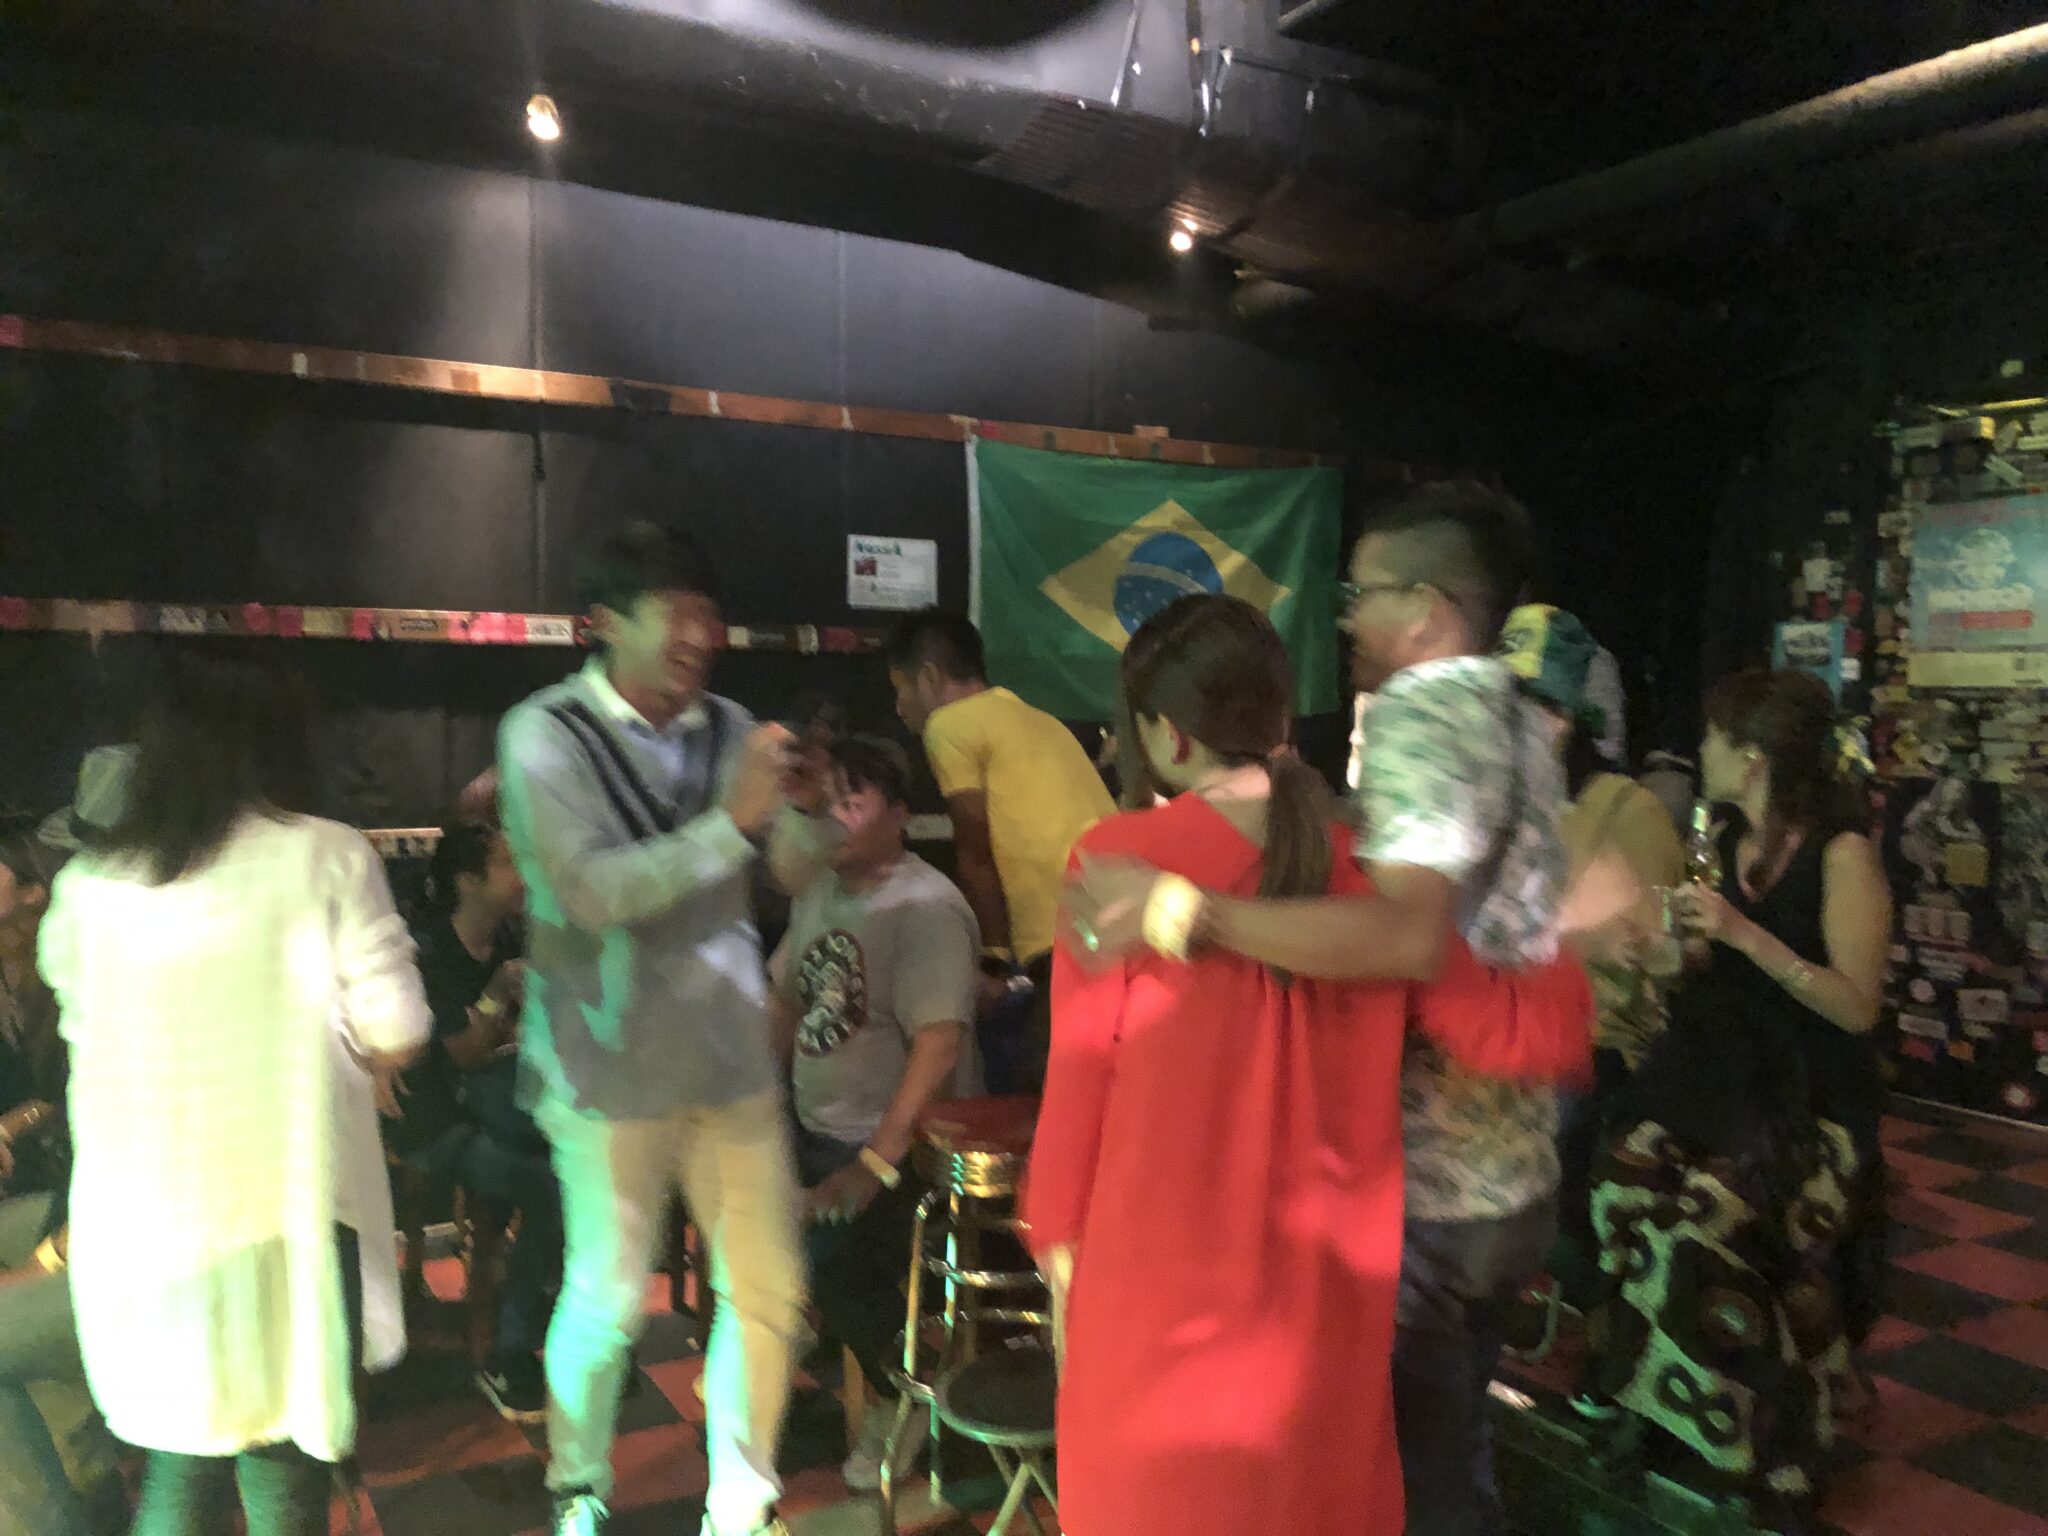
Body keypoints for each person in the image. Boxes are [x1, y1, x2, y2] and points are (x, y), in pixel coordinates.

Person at [1066, 481, 1578, 1536]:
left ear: (1426, 609)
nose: (1344, 618)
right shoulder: (1518, 720)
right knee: (1444, 1458)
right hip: (1515, 1172)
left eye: (1361, 594)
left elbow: (1403, 939)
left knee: (1413, 1482)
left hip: (1427, 1192)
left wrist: (1187, 910)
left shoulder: (1418, 720)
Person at [1023, 594, 1410, 1533]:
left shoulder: (1120, 860)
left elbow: (1080, 1083)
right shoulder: (1372, 872)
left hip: (1160, 1290)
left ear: (1168, 733)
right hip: (1329, 1294)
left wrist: (1057, 1248)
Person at [38, 650, 431, 1536]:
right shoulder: (324, 856)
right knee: (283, 1482)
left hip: (140, 1236)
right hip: (278, 1226)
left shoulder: (84, 888)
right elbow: (397, 1027)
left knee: (179, 1470)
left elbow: (85, 1032)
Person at [499, 521, 836, 1536]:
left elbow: (790, 874)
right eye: (675, 613)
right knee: (607, 1297)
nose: (700, 635)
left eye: (709, 613)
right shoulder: (544, 734)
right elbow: (589, 893)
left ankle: (741, 1500)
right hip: (602, 1065)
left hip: (729, 1058)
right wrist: (731, 824)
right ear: (602, 622)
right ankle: (577, 1483)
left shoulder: (732, 726)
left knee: (768, 1290)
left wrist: (808, 811)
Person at [1584, 670, 1890, 1527]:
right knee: (1620, 1185)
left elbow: (1857, 1006)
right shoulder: (1718, 837)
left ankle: (1767, 1436)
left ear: (1751, 759)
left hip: (1812, 1114)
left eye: (1715, 739)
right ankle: (1661, 1406)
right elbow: (1703, 967)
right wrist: (1653, 950)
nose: (1702, 751)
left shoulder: (1842, 854)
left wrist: (1745, 933)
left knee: (1700, 1226)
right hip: (1719, 1089)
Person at [768, 735, 979, 1492]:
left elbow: (939, 1046)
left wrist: (875, 1163)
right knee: (749, 1222)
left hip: (898, 1143)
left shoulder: (925, 906)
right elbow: (786, 999)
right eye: (827, 801)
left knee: (829, 1261)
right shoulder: (819, 889)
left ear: (900, 815)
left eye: (853, 801)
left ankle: (904, 1393)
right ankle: (789, 1340)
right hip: (815, 1126)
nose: (835, 817)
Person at [1497, 606, 1685, 1298]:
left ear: (1562, 719)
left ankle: (1568, 1280)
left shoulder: (1626, 810)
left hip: (1592, 1042)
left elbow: (1650, 956)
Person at [886, 608, 1113, 1093]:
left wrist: (991, 960)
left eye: (900, 689)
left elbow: (975, 847)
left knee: (1052, 1088)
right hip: (1114, 911)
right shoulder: (1035, 718)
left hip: (1061, 927)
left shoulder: (949, 725)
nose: (899, 707)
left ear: (929, 677)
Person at [382, 821, 561, 1423]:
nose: (524, 873)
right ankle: (509, 1353)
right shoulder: (431, 950)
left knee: (566, 1145)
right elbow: (463, 1052)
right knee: (552, 1181)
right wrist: (499, 991)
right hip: (435, 1124)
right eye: (509, 863)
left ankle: (547, 1307)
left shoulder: (509, 934)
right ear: (468, 880)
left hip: (487, 1106)